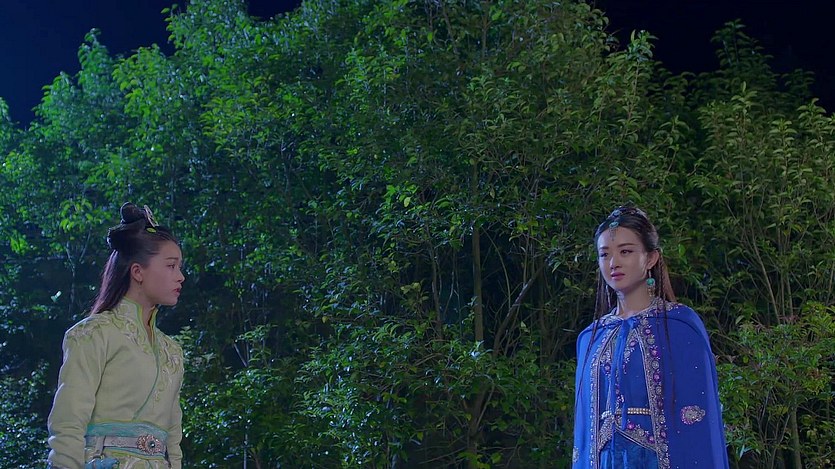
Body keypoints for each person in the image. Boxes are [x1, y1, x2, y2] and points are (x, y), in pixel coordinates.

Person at [572, 206, 728, 468]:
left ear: (651, 258)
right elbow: (584, 432)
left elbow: (698, 421)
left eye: (625, 251)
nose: (613, 263)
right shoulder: (591, 337)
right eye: (604, 254)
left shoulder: (680, 326)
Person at [47, 203, 185, 469]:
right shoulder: (94, 334)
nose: (180, 277)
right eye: (171, 266)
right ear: (138, 271)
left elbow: (173, 439)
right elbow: (68, 420)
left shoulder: (172, 352)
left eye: (179, 267)